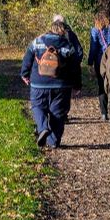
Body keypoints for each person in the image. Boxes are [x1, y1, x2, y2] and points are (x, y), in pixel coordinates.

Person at [21, 20, 82, 149]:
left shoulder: (37, 41)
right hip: (61, 86)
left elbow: (27, 58)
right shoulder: (67, 45)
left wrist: (25, 74)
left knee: (37, 107)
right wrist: (77, 85)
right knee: (58, 113)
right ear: (63, 31)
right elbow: (75, 67)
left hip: (39, 83)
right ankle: (53, 141)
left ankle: (43, 128)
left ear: (51, 28)